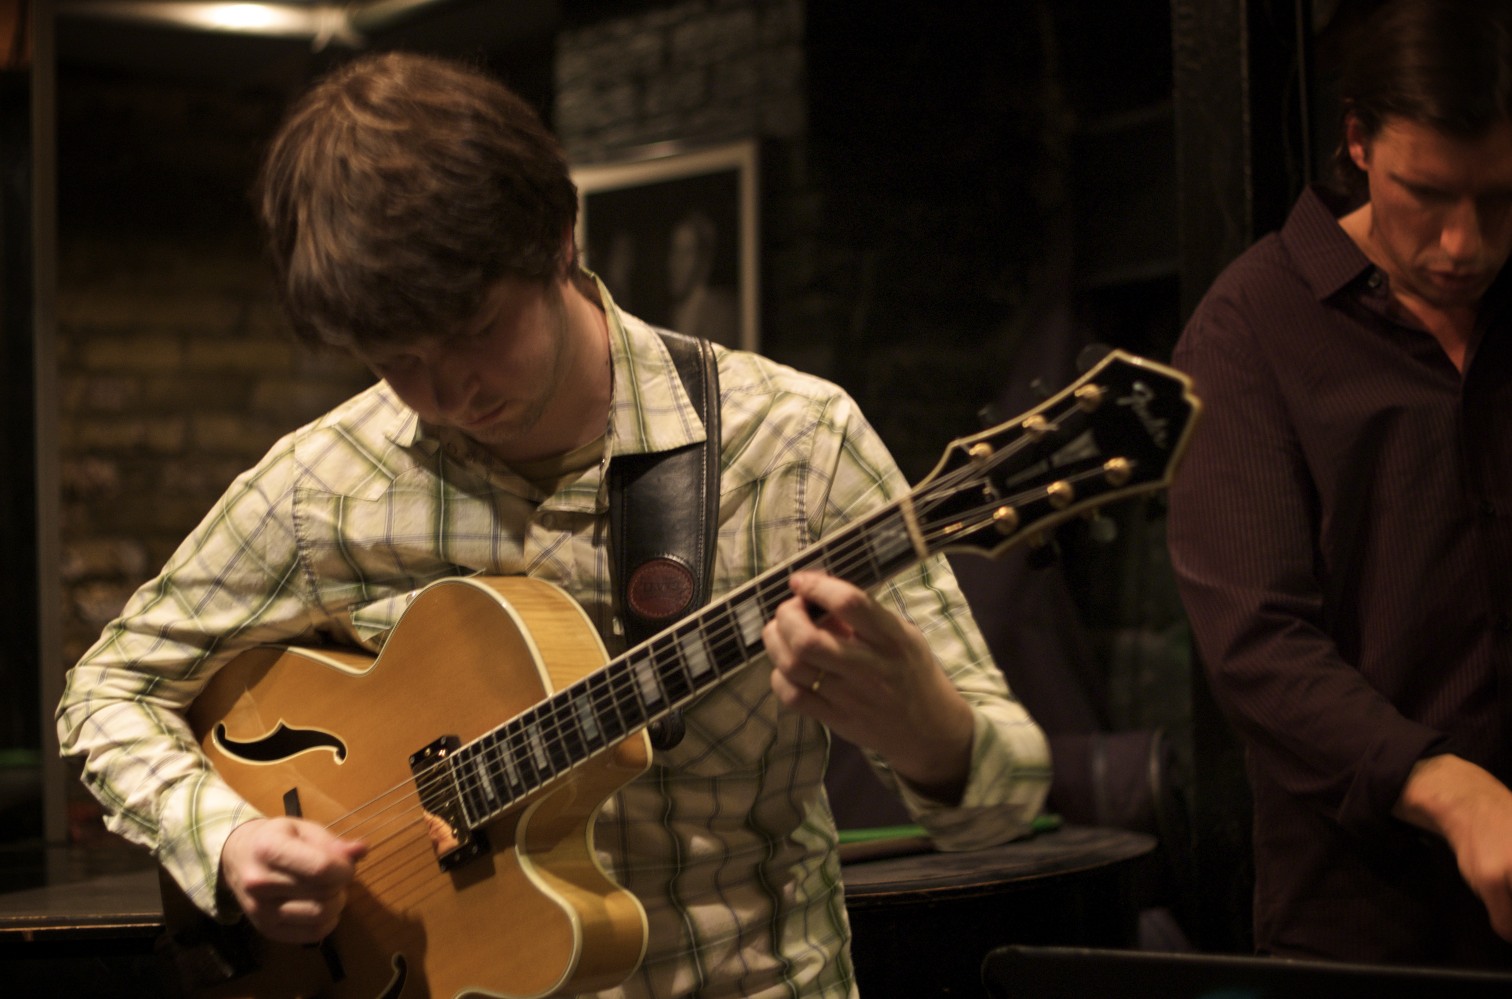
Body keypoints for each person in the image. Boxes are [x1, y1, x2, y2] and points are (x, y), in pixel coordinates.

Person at [54, 52, 1051, 998]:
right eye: (393, 357)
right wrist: (225, 840)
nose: (442, 392)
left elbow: (1003, 804)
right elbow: (106, 688)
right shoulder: (327, 482)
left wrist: (932, 734)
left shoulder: (794, 449)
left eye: (474, 331)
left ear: (559, 242)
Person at [1167, 0, 1512, 969]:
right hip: (1368, 921)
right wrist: (1452, 788)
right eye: (1428, 194)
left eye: (1500, 199)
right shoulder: (1250, 328)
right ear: (1357, 140)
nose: (1465, 244)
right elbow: (1257, 644)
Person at [666, 209, 741, 348]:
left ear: (704, 260)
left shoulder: (723, 315)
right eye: (674, 250)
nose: (677, 262)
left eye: (686, 253)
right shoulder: (672, 313)